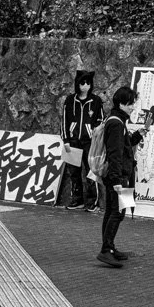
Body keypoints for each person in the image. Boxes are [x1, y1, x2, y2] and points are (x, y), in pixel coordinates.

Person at [95, 86, 145, 268]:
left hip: (118, 174)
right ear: (122, 104)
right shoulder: (116, 123)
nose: (133, 107)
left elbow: (123, 146)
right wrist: (116, 180)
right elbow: (115, 153)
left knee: (112, 211)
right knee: (117, 212)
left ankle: (109, 247)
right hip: (119, 176)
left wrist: (138, 135)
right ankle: (106, 250)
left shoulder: (116, 119)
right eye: (131, 104)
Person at [60, 71, 103, 211]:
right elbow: (64, 120)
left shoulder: (96, 101)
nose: (85, 86)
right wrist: (65, 139)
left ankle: (93, 202)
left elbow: (100, 119)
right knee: (73, 172)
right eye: (82, 83)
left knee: (91, 171)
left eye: (88, 83)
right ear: (77, 84)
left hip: (89, 142)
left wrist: (95, 131)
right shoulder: (69, 100)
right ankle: (76, 200)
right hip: (72, 141)